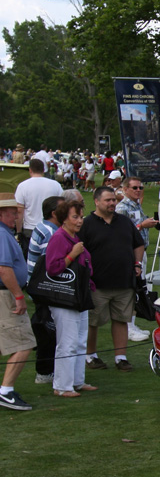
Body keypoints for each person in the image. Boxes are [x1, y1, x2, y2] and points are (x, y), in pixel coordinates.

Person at [80, 186, 145, 372]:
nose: (112, 203)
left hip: (124, 282)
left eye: (113, 200)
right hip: (97, 284)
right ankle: (90, 356)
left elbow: (138, 244)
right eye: (107, 200)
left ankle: (121, 357)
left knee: (121, 319)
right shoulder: (86, 224)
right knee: (93, 322)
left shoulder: (124, 222)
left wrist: (137, 263)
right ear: (97, 201)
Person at [46, 198, 97, 397]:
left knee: (79, 340)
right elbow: (52, 268)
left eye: (80, 217)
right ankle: (62, 386)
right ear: (63, 219)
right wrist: (72, 255)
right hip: (64, 297)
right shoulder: (59, 238)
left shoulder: (74, 237)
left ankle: (77, 380)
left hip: (79, 295)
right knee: (67, 341)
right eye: (75, 217)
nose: (79, 221)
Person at [0, 193, 35, 411]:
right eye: (13, 213)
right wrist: (19, 297)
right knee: (24, 344)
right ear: (2, 213)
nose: (16, 217)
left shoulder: (6, 233)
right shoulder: (3, 235)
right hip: (6, 295)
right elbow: (4, 269)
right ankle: (5, 391)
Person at [115, 177, 159, 343]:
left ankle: (131, 324)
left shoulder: (136, 205)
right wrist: (142, 225)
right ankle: (127, 327)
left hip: (141, 251)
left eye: (140, 187)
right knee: (132, 289)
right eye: (134, 188)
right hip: (131, 253)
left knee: (140, 288)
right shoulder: (122, 208)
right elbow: (120, 232)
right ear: (125, 189)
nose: (138, 190)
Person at [26, 195, 63, 385]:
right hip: (44, 288)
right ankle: (45, 371)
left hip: (37, 285)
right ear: (55, 212)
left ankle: (46, 370)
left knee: (45, 327)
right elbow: (51, 264)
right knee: (47, 330)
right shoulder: (51, 232)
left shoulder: (44, 227)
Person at [15, 158, 63, 256]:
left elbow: (20, 211)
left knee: (31, 258)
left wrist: (18, 231)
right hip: (52, 227)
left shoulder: (23, 186)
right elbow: (63, 207)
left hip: (30, 229)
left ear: (30, 170)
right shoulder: (55, 185)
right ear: (43, 170)